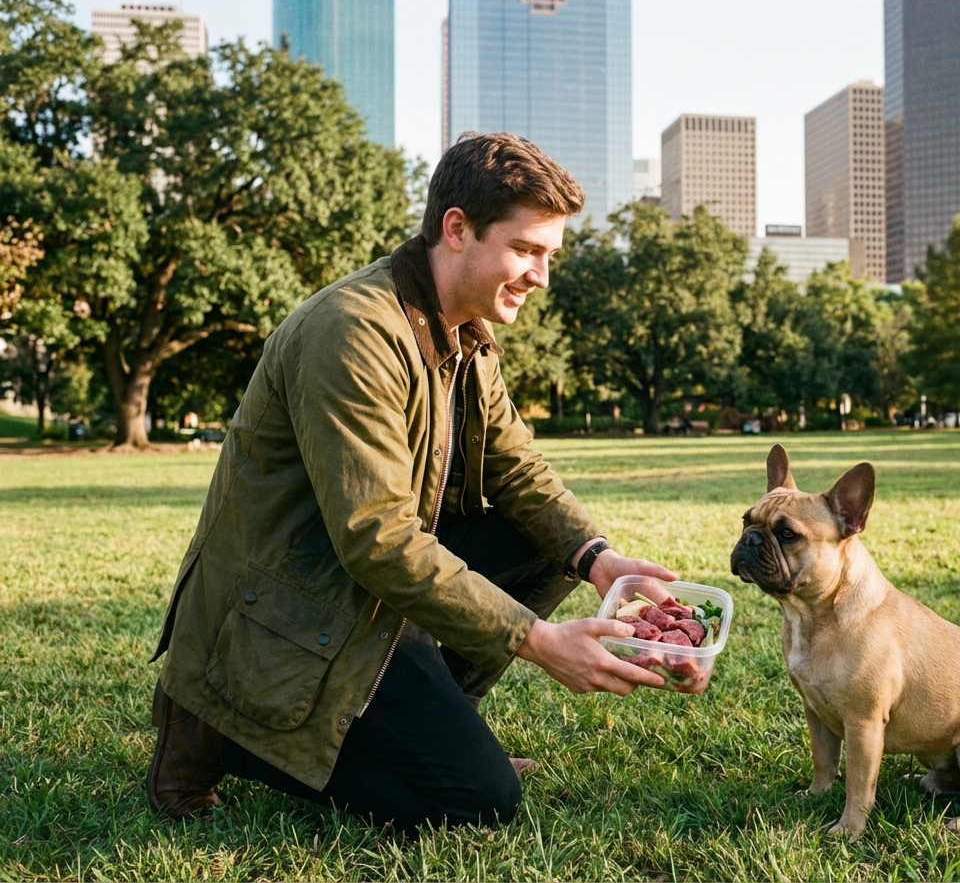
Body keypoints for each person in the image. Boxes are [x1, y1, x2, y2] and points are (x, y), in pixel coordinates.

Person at [145, 132, 676, 833]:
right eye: (526, 250)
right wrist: (537, 639)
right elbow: (378, 538)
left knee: (553, 544)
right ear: (456, 229)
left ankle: (439, 724)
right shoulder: (352, 332)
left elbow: (515, 466)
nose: (541, 276)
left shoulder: (466, 330)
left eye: (550, 255)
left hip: (356, 591)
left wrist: (600, 560)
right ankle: (219, 725)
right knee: (476, 802)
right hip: (289, 607)